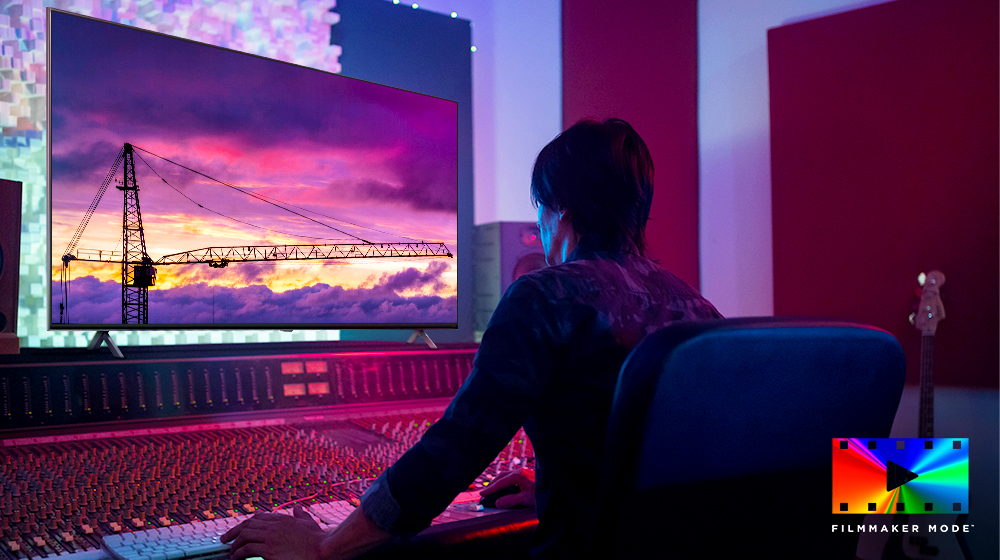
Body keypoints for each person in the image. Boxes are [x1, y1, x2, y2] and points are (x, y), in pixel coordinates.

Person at [222, 118, 722, 560]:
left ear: (561, 209)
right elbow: (665, 452)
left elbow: (458, 446)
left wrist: (327, 545)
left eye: (540, 209)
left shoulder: (545, 297)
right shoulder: (698, 309)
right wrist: (561, 480)